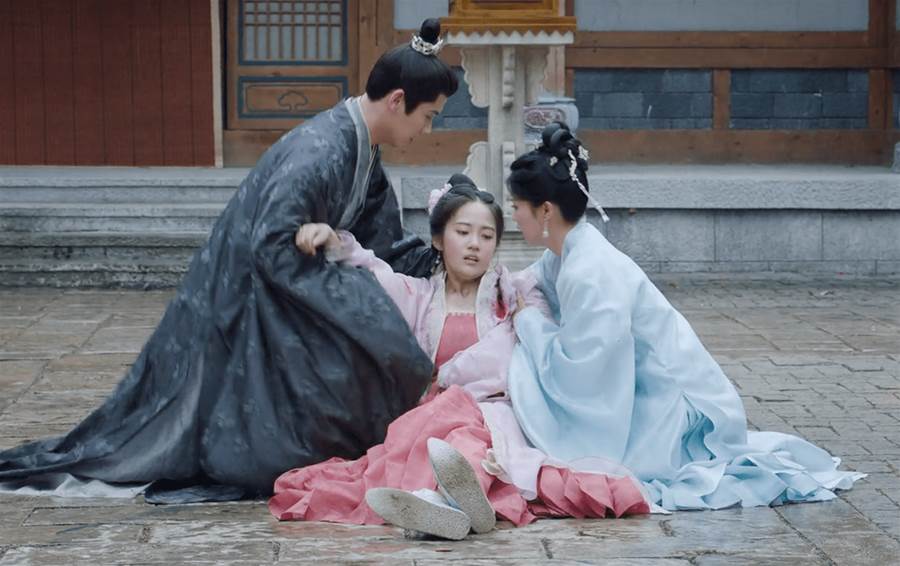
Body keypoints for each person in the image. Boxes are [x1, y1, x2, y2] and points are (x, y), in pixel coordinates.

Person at [0, 19, 458, 504]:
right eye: (428, 116)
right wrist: (359, 298)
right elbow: (273, 246)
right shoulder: (319, 150)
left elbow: (380, 238)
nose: (427, 130)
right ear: (396, 101)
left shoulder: (362, 148)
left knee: (383, 341)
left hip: (285, 288)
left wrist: (444, 254)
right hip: (250, 295)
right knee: (377, 339)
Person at [505, 122, 865, 511]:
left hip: (676, 406)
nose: (513, 214)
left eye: (517, 206)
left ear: (545, 210)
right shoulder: (568, 253)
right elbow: (533, 282)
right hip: (643, 387)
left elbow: (584, 372)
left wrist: (529, 323)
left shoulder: (590, 271)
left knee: (595, 457)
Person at [268, 174, 649, 538]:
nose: (474, 245)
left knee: (467, 439)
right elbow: (372, 273)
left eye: (486, 236)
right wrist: (334, 241)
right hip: (434, 417)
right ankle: (449, 504)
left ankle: (443, 503)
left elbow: (545, 346)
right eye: (463, 232)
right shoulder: (420, 297)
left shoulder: (515, 293)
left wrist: (527, 318)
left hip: (498, 415)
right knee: (439, 435)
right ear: (439, 239)